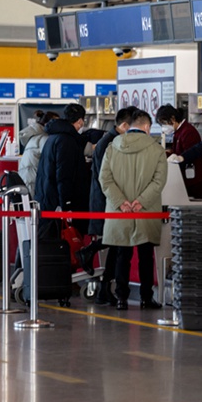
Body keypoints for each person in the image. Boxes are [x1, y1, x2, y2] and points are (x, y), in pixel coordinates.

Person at [99, 109, 167, 311]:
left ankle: (121, 298)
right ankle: (146, 297)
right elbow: (159, 181)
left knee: (122, 254)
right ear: (146, 127)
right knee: (146, 255)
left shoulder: (112, 147)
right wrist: (141, 201)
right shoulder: (157, 150)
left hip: (119, 211)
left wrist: (121, 202)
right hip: (146, 210)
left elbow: (105, 179)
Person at [78, 106, 137, 306]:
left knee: (115, 245)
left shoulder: (109, 140)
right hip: (108, 201)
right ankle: (90, 251)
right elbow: (108, 177)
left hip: (108, 200)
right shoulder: (111, 143)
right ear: (125, 125)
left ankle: (105, 290)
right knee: (117, 244)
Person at [34, 103, 90, 239]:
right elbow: (64, 176)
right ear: (80, 121)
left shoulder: (53, 137)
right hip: (57, 202)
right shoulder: (67, 141)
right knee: (62, 242)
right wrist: (66, 205)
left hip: (48, 197)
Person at [156, 104, 202, 199]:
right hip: (186, 179)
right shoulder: (179, 132)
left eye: (164, 123)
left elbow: (188, 155)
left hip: (194, 181)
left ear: (172, 119)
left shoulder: (188, 132)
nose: (164, 127)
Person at [18, 110, 59, 196]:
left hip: (26, 181)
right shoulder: (44, 139)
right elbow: (52, 161)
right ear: (47, 124)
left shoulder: (35, 136)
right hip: (33, 184)